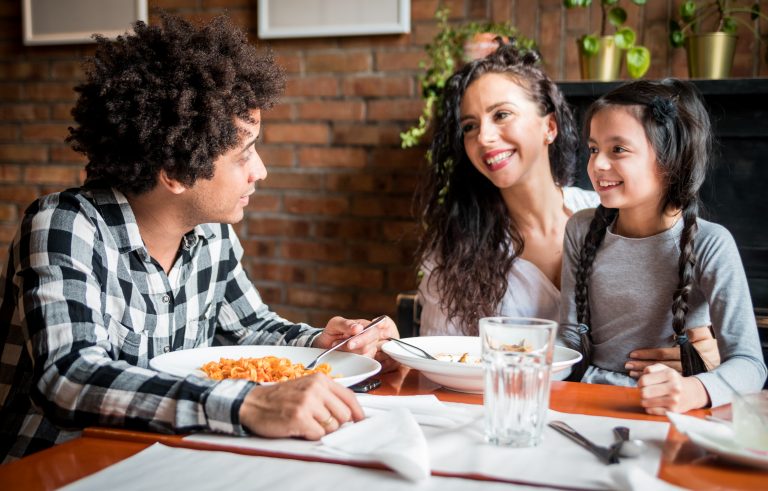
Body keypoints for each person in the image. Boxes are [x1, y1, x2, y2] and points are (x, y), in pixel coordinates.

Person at [0, 14, 398, 463]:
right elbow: (68, 378)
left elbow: (250, 329)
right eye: (245, 153)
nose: (260, 170)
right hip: (52, 468)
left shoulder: (212, 235)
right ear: (175, 171)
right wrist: (247, 404)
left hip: (165, 461)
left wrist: (322, 344)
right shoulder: (66, 226)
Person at [414, 44, 718, 369]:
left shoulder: (621, 214)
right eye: (469, 126)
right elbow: (439, 363)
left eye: (501, 114)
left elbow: (704, 340)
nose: (484, 137)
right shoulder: (452, 251)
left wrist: (702, 360)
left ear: (550, 127)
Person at [559, 78, 766, 414]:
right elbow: (568, 341)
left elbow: (750, 364)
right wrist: (527, 361)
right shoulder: (580, 229)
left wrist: (692, 390)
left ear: (671, 159)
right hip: (585, 401)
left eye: (618, 149)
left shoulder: (711, 244)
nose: (597, 165)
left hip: (665, 411)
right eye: (594, 148)